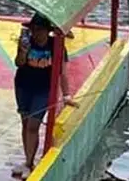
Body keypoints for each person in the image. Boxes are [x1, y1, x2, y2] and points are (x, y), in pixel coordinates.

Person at [12, 13, 77, 179]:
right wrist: (23, 51)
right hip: (23, 86)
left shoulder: (56, 45)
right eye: (34, 29)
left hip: (44, 89)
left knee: (34, 124)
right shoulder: (26, 42)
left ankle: (29, 163)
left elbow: (62, 72)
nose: (36, 33)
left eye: (40, 30)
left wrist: (67, 94)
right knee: (25, 123)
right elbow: (18, 63)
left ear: (47, 31)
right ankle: (28, 159)